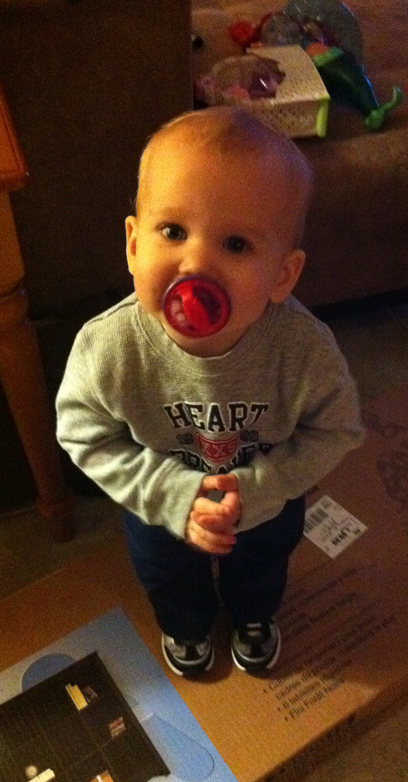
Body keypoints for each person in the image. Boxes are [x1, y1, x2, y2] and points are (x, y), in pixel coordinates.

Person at [56, 107, 364, 677]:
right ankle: (186, 624)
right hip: (158, 498)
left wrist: (265, 486)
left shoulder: (303, 351)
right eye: (173, 232)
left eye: (236, 244)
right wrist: (170, 495)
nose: (195, 263)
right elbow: (83, 434)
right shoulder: (109, 347)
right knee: (165, 570)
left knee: (265, 563)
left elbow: (337, 428)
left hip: (264, 497)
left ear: (283, 275)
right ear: (133, 245)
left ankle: (253, 615)